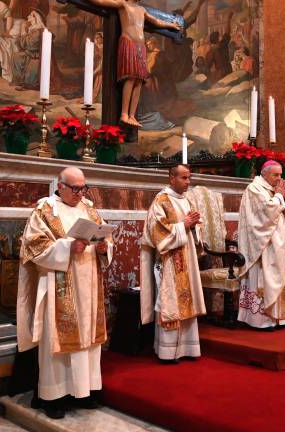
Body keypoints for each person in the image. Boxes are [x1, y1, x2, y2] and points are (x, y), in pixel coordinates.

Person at [17, 167, 113, 419]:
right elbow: (33, 248)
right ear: (60, 186)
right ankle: (54, 397)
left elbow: (105, 237)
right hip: (60, 285)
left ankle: (85, 392)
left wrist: (104, 247)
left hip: (89, 287)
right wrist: (67, 247)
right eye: (75, 188)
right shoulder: (45, 210)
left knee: (88, 341)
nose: (80, 193)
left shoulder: (89, 209)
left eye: (83, 188)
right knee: (58, 343)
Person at [140, 164, 206, 362]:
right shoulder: (161, 201)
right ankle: (168, 351)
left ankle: (188, 348)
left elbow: (193, 229)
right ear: (171, 178)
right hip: (169, 261)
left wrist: (194, 227)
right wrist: (183, 225)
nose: (188, 182)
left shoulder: (186, 201)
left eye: (189, 178)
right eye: (184, 178)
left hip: (187, 258)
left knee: (187, 301)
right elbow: (156, 232)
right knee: (170, 303)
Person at [85, 0, 182, 128]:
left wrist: (171, 25)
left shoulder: (142, 10)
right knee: (130, 78)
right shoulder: (123, 4)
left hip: (140, 46)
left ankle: (132, 116)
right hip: (128, 42)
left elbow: (156, 21)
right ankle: (124, 114)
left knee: (140, 81)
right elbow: (102, 1)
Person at [237, 160, 285, 330]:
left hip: (281, 242)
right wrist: (279, 196)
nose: (279, 178)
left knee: (282, 276)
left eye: (281, 175)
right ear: (264, 174)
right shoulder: (254, 189)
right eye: (275, 175)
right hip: (263, 245)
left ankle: (280, 317)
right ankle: (261, 321)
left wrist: (284, 197)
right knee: (263, 278)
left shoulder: (277, 189)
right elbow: (266, 212)